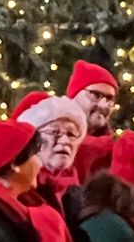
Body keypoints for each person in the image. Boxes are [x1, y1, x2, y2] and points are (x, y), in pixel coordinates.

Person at [19, 93, 90, 224]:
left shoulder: (81, 193)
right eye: (54, 132)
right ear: (32, 140)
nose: (64, 141)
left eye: (71, 134)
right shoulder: (19, 188)